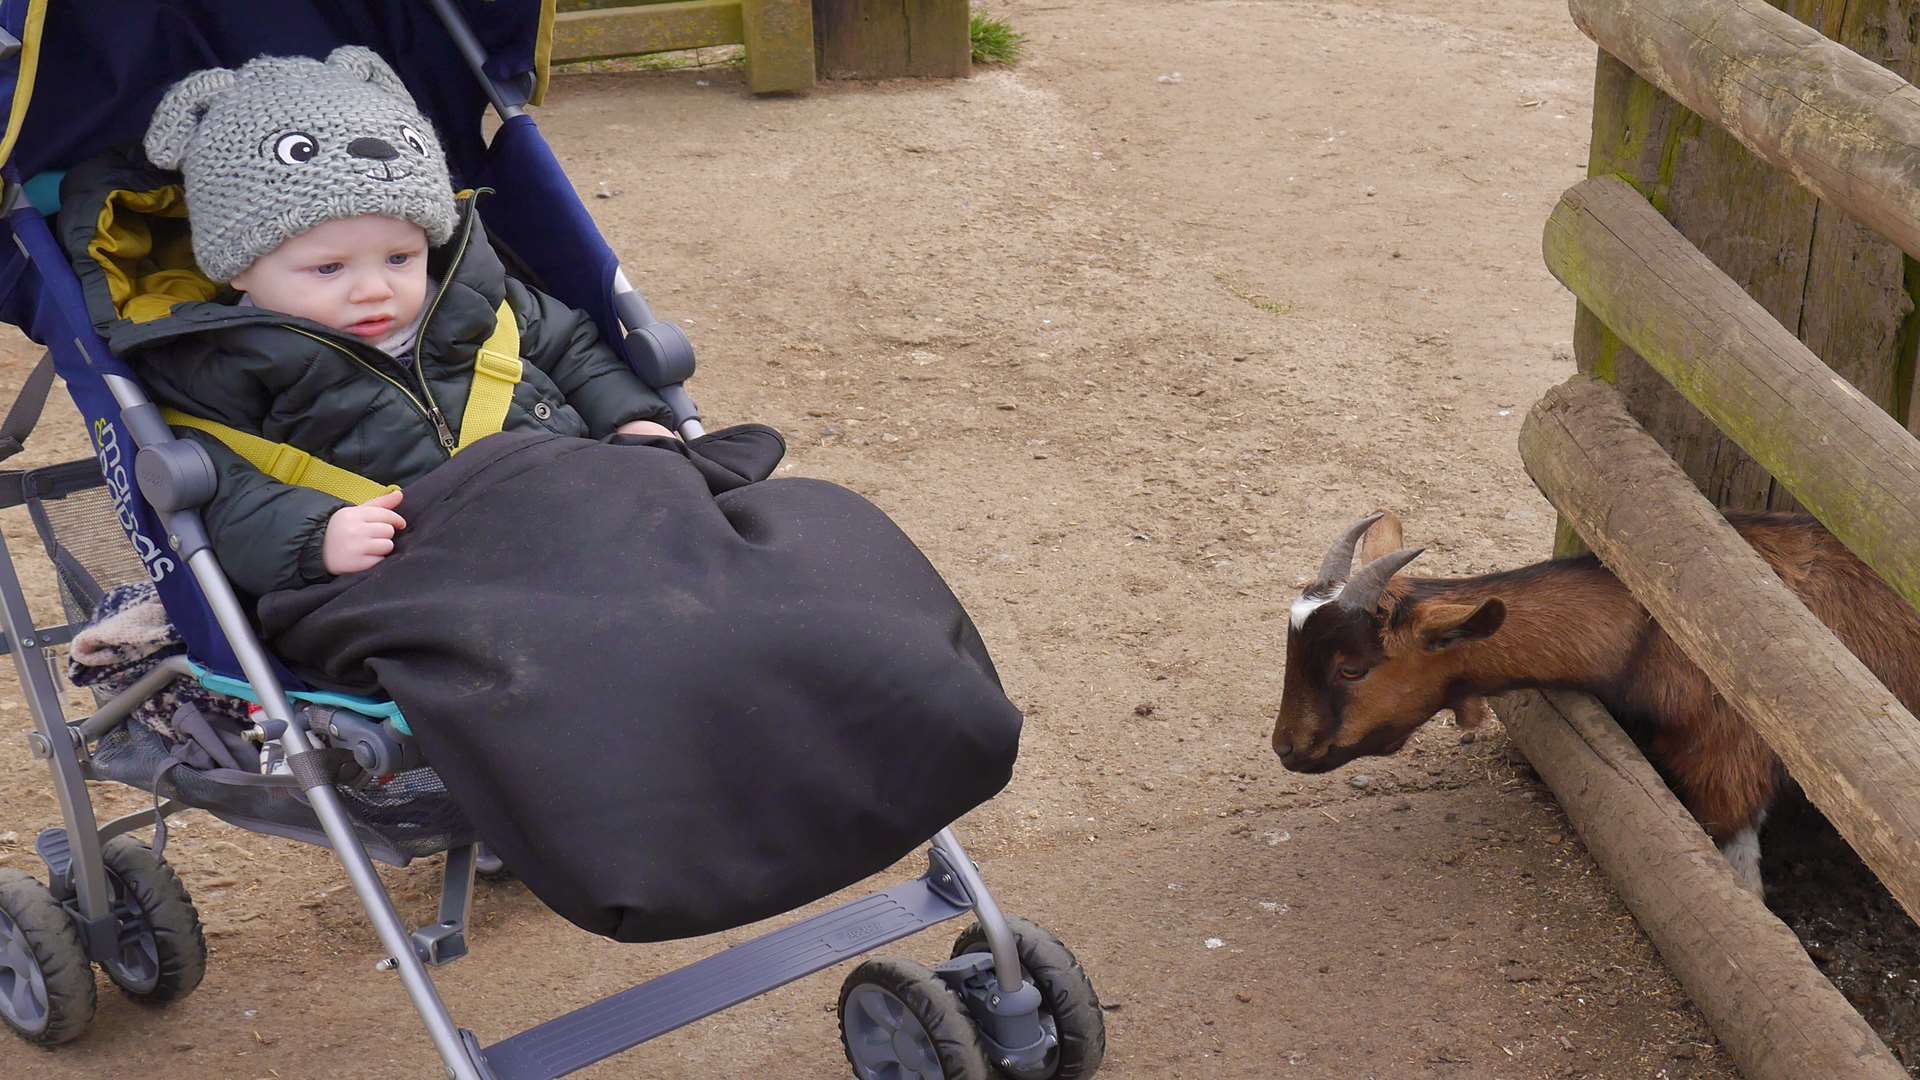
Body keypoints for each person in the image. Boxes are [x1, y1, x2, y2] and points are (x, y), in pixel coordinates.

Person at [107, 46, 679, 598]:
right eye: (329, 268)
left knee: (701, 510)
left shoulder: (479, 301)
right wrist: (314, 535)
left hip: (578, 504)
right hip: (418, 573)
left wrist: (629, 417)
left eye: (400, 258)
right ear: (239, 269)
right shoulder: (219, 361)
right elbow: (225, 488)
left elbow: (574, 350)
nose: (374, 289)